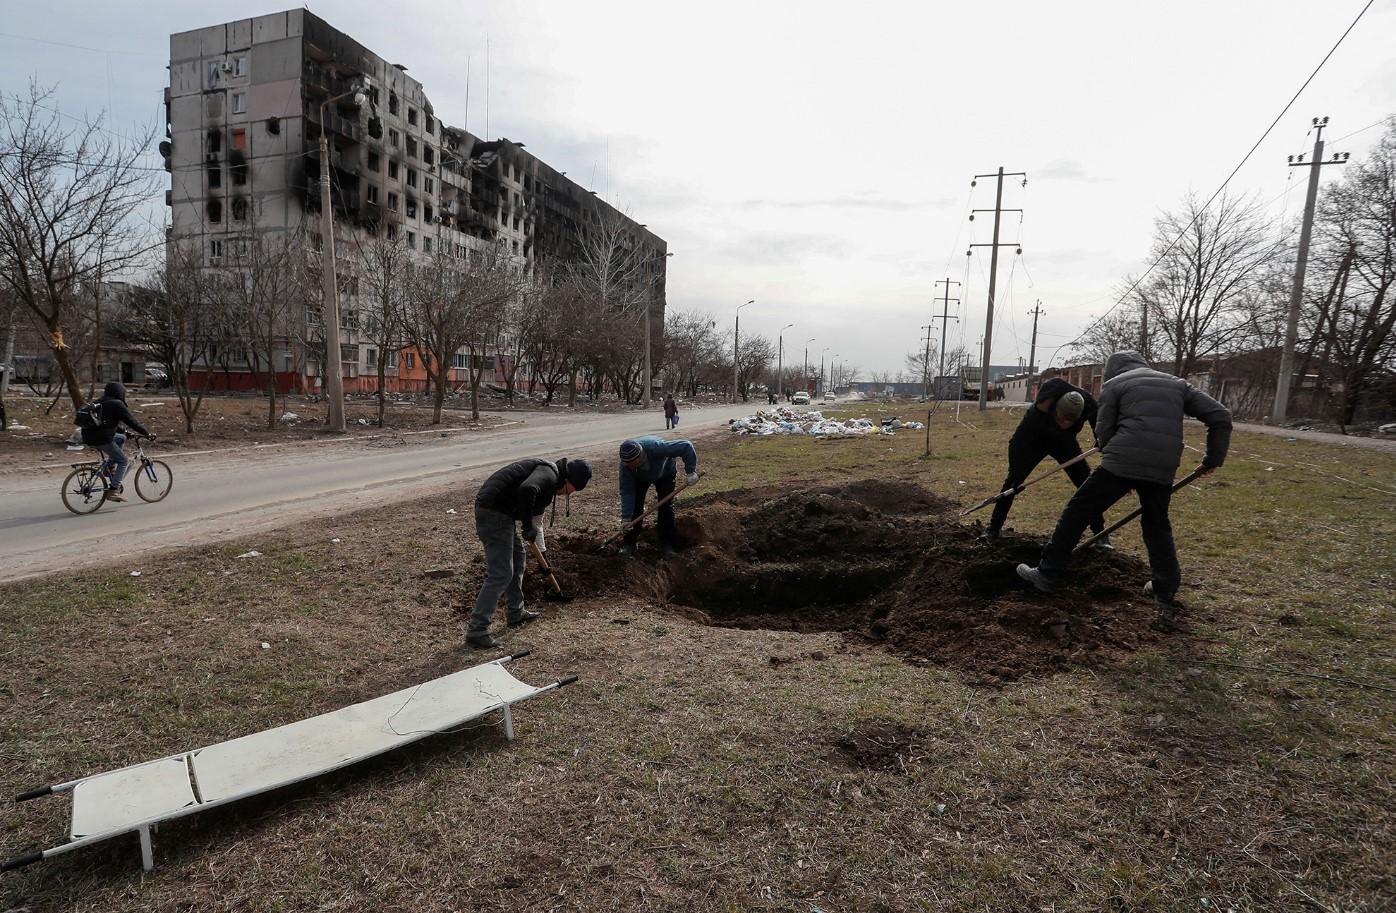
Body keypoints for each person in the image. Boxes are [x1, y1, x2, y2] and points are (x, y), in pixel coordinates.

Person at [1016, 351, 1231, 616]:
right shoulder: (1177, 384)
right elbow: (1220, 416)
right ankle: (1164, 589)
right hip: (1164, 463)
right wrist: (1213, 458)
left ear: (1110, 371)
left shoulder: (1114, 385)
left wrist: (1114, 458)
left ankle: (1047, 575)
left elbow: (1103, 431)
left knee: (1078, 510)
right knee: (1156, 523)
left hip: (1123, 459)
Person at [468, 456, 593, 649]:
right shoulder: (549, 474)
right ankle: (477, 631)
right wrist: (526, 525)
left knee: (518, 559)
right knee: (501, 573)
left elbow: (537, 525)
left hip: (501, 514)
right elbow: (527, 490)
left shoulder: (548, 484)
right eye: (572, 490)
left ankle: (516, 612)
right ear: (569, 481)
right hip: (493, 512)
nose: (568, 494)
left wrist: (544, 558)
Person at [983, 375, 1108, 546]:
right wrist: (1017, 468)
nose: (1063, 423)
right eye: (1060, 418)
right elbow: (1018, 444)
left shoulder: (1089, 406)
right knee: (1013, 482)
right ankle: (993, 528)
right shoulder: (1044, 401)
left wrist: (1101, 441)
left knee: (1086, 483)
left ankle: (1100, 534)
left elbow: (1100, 429)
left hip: (1064, 443)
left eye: (1069, 421)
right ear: (1054, 408)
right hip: (1032, 439)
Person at [618, 436, 698, 557]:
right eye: (626, 464)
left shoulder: (656, 448)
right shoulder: (626, 467)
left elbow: (686, 446)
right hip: (640, 478)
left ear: (639, 457)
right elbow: (627, 492)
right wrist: (626, 518)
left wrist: (690, 472)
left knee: (666, 507)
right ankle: (630, 543)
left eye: (631, 464)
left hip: (665, 473)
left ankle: (667, 543)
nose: (628, 466)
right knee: (635, 507)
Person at [78, 382, 153, 502]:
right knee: (124, 461)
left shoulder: (99, 402)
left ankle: (110, 467)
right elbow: (131, 421)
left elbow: (108, 422)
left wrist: (125, 432)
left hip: (88, 436)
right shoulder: (117, 404)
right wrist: (146, 433)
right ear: (119, 392)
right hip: (102, 438)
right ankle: (113, 490)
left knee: (121, 438)